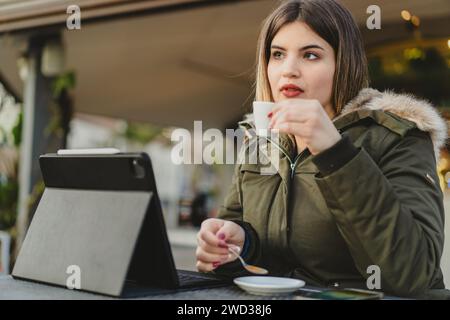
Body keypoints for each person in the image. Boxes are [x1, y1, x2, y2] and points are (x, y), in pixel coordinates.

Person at [195, 0, 449, 298]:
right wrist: (238, 244)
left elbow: (413, 274)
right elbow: (248, 246)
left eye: (311, 55)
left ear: (343, 64)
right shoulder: (259, 141)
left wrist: (335, 152)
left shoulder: (398, 137)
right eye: (277, 55)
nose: (288, 70)